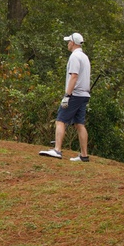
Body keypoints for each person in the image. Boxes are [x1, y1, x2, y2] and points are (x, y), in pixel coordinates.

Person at [39, 32, 91, 161]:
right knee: (80, 124)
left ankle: (57, 150)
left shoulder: (74, 57)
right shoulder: (84, 57)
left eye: (69, 42)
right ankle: (84, 155)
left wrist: (67, 95)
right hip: (84, 94)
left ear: (73, 43)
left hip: (75, 94)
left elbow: (74, 76)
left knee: (60, 121)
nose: (67, 44)